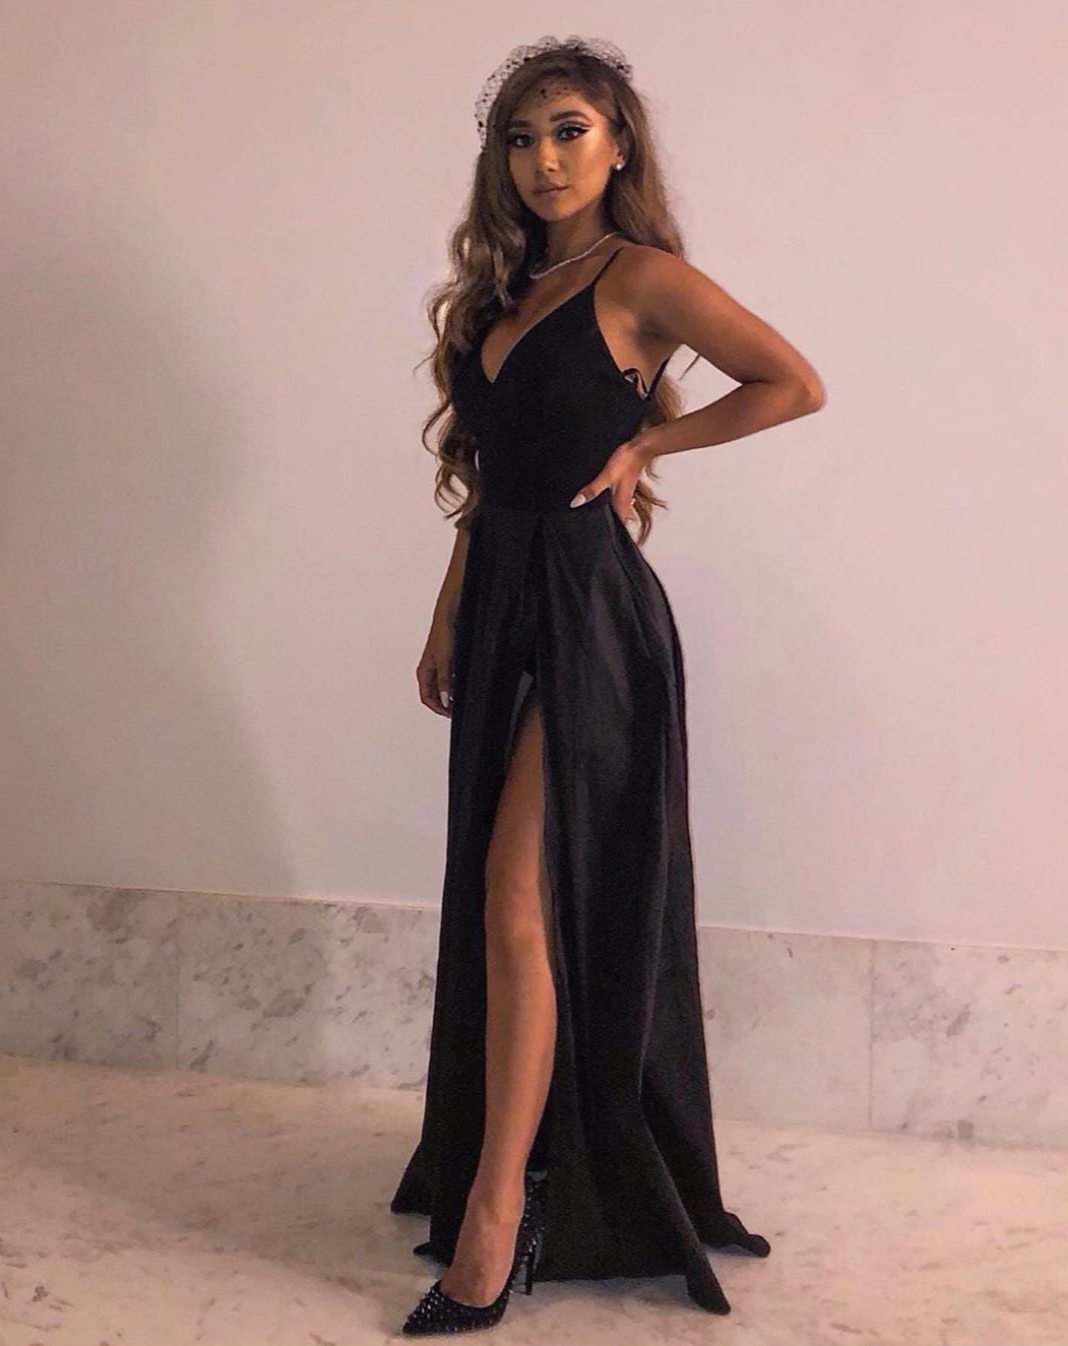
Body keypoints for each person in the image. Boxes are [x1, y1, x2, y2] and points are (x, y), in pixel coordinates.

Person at [392, 34, 825, 1336]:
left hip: (592, 619)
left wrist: (650, 442)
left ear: (620, 142)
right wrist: (448, 611)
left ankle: (495, 1218)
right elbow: (492, 478)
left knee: (518, 897)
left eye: (570, 131)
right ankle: (524, 1161)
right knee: (503, 899)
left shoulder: (641, 278)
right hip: (503, 604)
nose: (545, 159)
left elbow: (793, 384)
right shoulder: (503, 290)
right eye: (522, 139)